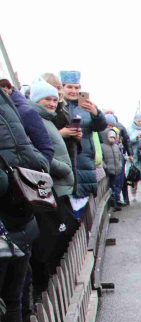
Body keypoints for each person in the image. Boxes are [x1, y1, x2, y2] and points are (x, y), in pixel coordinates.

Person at [0, 82, 50, 322]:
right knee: (15, 299)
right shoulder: (12, 107)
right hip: (21, 222)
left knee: (12, 299)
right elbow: (37, 159)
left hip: (9, 226)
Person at [29, 78, 78, 296]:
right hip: (53, 187)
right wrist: (64, 168)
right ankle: (49, 288)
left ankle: (57, 285)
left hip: (60, 187)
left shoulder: (47, 120)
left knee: (64, 234)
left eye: (53, 99)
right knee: (54, 239)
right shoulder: (35, 120)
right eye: (46, 99)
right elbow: (38, 154)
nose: (51, 103)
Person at [60, 71, 106, 202]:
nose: (73, 91)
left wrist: (96, 113)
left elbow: (100, 127)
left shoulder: (87, 106)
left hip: (84, 157)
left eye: (76, 87)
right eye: (69, 87)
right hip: (66, 155)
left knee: (83, 200)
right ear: (62, 87)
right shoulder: (58, 105)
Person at [101, 129, 125, 210]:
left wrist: (120, 166)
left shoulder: (116, 146)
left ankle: (116, 202)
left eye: (114, 138)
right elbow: (101, 159)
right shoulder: (102, 147)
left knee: (116, 186)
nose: (113, 139)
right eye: (111, 137)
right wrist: (105, 167)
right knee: (111, 188)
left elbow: (119, 157)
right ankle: (113, 204)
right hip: (108, 171)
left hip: (117, 170)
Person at [128, 113, 141, 200]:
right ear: (135, 121)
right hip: (134, 156)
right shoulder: (130, 129)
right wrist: (137, 137)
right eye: (139, 121)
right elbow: (129, 140)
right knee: (133, 176)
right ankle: (133, 194)